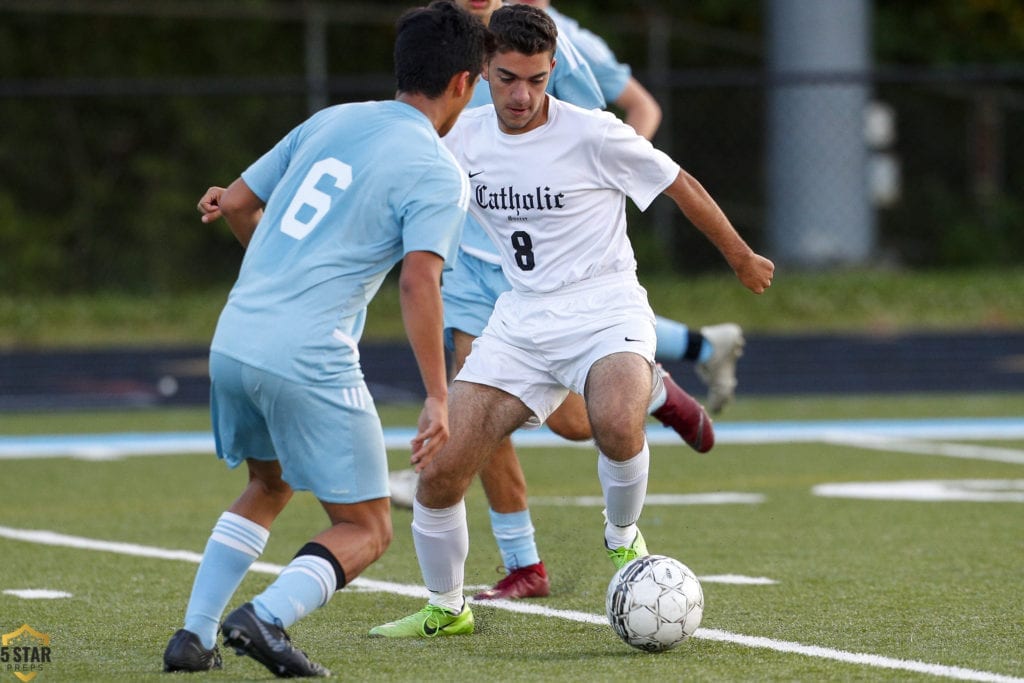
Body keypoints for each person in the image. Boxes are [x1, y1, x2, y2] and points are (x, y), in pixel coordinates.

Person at [369, 4, 773, 638]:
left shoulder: (594, 133)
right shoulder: (458, 140)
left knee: (613, 423)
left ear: (553, 69)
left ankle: (621, 535)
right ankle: (446, 608)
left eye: (536, 79)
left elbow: (681, 184)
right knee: (442, 471)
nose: (522, 95)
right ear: (480, 73)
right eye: (506, 79)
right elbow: (375, 181)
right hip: (520, 319)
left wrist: (742, 258)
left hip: (605, 308)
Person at [160, 2, 489, 676]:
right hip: (307, 353)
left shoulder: (333, 118)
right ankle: (266, 616)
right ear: (462, 82)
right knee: (368, 527)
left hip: (237, 334)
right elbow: (419, 285)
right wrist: (437, 395)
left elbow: (236, 203)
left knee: (270, 484)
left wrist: (281, 262)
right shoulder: (437, 169)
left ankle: (193, 638)